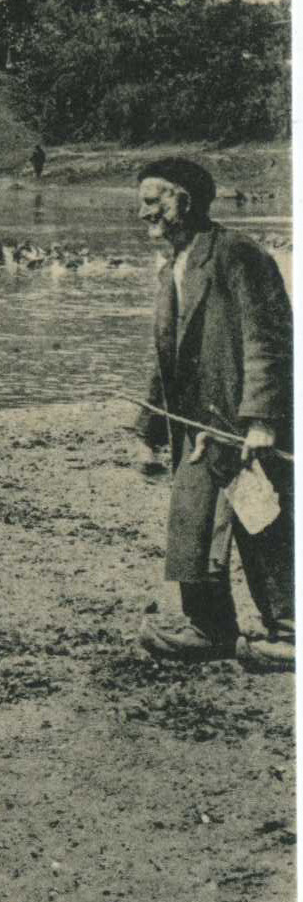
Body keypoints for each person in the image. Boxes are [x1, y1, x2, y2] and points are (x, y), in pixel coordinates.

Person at [132, 156, 294, 668]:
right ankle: (209, 628)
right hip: (197, 427)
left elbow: (269, 340)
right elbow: (167, 357)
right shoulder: (172, 267)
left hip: (241, 422)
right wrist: (150, 430)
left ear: (185, 199)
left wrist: (263, 418)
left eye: (153, 202)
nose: (144, 214)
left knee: (262, 521)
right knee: (193, 521)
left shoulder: (238, 254)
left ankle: (290, 631)